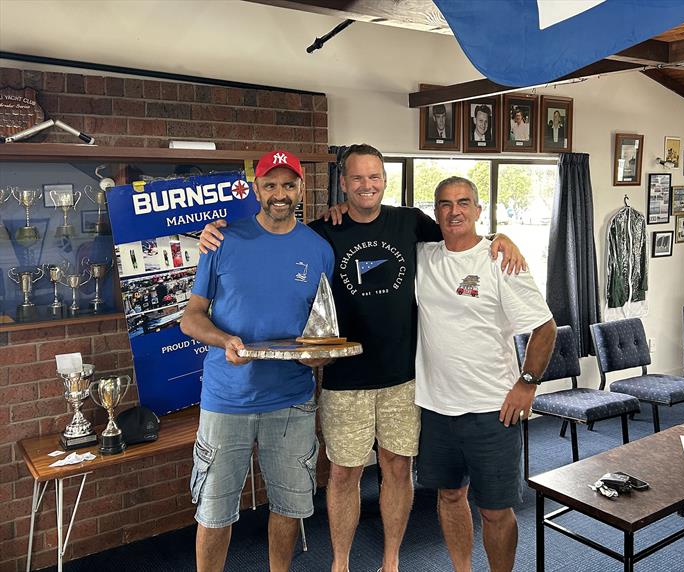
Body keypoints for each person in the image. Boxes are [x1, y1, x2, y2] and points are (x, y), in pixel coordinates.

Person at [198, 144, 525, 572]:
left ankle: (390, 561)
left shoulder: (411, 223)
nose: (366, 185)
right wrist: (213, 231)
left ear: (384, 180)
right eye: (357, 178)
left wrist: (501, 236)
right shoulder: (322, 233)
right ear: (343, 183)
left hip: (403, 378)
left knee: (397, 469)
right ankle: (341, 563)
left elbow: (460, 235)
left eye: (374, 177)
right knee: (342, 474)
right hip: (344, 378)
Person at [181, 149, 334, 572]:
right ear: (256, 189)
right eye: (270, 185)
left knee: (287, 506)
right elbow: (191, 318)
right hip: (226, 399)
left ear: (301, 188)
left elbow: (321, 327)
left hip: (291, 400)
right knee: (213, 512)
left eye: (288, 185)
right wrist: (224, 338)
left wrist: (316, 357)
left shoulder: (319, 250)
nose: (279, 194)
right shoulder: (223, 240)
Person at [415, 176, 556, 572]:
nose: (454, 211)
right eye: (445, 204)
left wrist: (527, 385)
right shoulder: (423, 256)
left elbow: (544, 327)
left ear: (479, 210)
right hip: (437, 409)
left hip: (493, 411)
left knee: (495, 511)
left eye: (463, 203)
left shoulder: (500, 260)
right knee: (450, 497)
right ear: (436, 212)